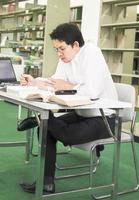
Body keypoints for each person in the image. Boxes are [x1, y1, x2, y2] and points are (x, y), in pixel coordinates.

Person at [19, 23, 118, 194]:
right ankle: (46, 182)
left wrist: (68, 85)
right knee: (45, 129)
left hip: (105, 118)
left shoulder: (92, 54)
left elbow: (92, 91)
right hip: (83, 113)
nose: (59, 54)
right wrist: (34, 82)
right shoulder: (65, 59)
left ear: (75, 45)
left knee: (59, 130)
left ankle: (39, 119)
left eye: (61, 49)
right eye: (56, 49)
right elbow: (54, 83)